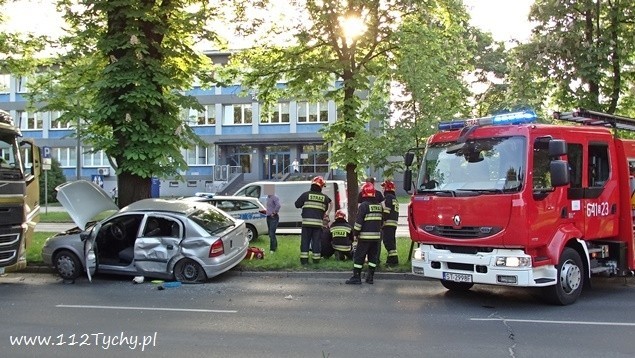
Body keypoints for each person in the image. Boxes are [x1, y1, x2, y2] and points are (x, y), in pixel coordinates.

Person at [346, 182, 384, 284]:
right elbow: (382, 221)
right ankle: (370, 277)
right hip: (376, 238)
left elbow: (359, 223)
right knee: (373, 257)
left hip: (364, 237)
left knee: (359, 256)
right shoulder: (379, 206)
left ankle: (356, 277)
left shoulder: (363, 205)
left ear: (363, 194)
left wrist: (355, 234)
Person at [295, 176, 333, 265]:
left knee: (305, 242)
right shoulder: (325, 198)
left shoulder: (305, 195)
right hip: (318, 225)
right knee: (316, 242)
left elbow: (297, 204)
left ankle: (304, 261)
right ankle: (316, 261)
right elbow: (325, 209)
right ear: (321, 186)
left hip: (306, 224)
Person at [381, 180, 399, 266]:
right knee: (391, 241)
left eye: (383, 187)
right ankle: (392, 258)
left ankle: (393, 260)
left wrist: (382, 221)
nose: (382, 189)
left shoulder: (388, 197)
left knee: (388, 241)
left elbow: (386, 211)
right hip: (393, 223)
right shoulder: (394, 198)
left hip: (388, 223)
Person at [264, 184, 281, 253]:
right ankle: (275, 247)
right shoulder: (268, 197)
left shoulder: (274, 197)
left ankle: (272, 249)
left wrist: (274, 212)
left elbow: (278, 205)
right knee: (270, 233)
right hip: (268, 216)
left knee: (271, 233)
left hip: (273, 217)